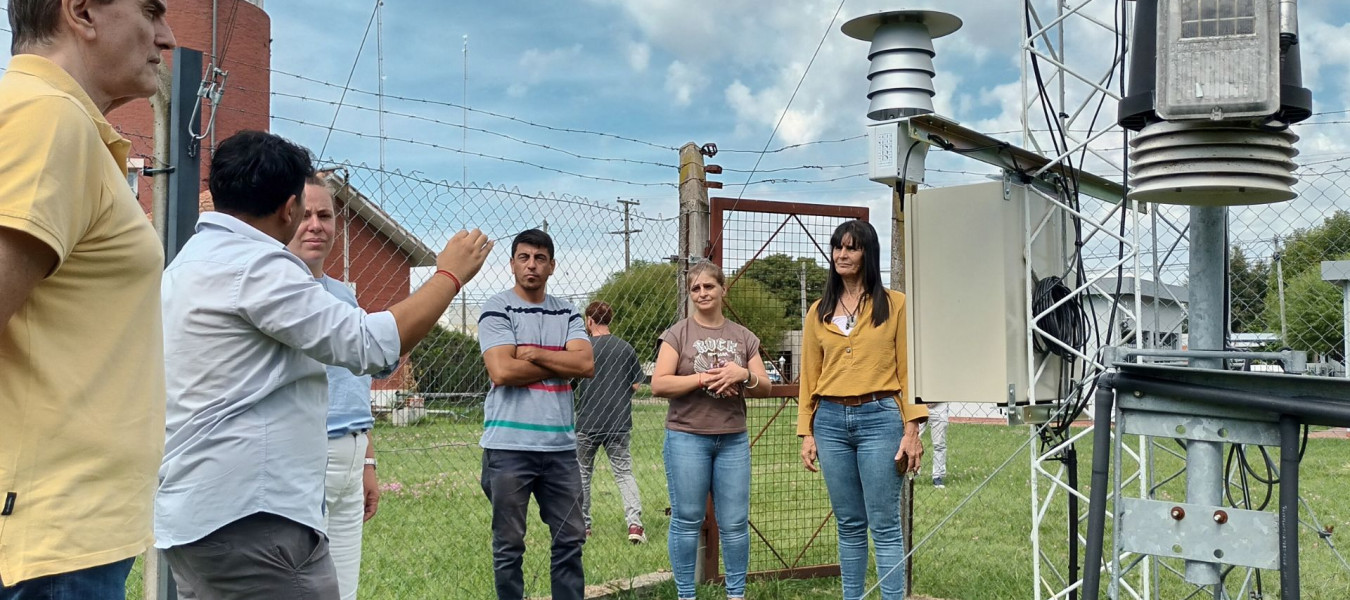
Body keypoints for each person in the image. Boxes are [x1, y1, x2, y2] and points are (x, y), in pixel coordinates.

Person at [157, 130, 492, 599]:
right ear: (288, 208)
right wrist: (449, 275)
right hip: (253, 520)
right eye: (306, 209)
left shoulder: (193, 260)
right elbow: (370, 345)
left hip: (203, 513)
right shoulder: (258, 267)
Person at [0, 1, 176, 596]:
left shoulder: (56, 122)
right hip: (45, 544)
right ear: (82, 12)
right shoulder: (49, 119)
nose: (166, 36)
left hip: (57, 535)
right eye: (150, 10)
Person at [797, 219, 928, 600]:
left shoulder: (896, 305)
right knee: (849, 524)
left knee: (884, 525)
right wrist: (807, 431)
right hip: (830, 423)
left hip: (881, 419)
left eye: (851, 247)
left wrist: (912, 429)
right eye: (837, 247)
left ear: (867, 253)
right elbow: (810, 376)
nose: (842, 254)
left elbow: (909, 370)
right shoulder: (818, 311)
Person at [285, 175, 388, 600]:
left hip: (351, 451)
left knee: (344, 589)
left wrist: (367, 461)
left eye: (325, 215)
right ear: (285, 217)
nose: (316, 225)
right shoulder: (279, 291)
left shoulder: (344, 295)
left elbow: (355, 384)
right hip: (306, 455)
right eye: (305, 214)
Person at [479, 229, 595, 600]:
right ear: (512, 263)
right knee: (509, 545)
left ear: (552, 266)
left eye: (540, 258)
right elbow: (502, 371)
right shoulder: (496, 308)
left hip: (560, 448)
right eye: (524, 257)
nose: (532, 265)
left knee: (570, 540)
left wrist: (533, 353)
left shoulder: (568, 311)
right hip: (508, 447)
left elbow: (586, 364)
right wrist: (559, 360)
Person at [650, 261, 773, 600]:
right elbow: (659, 384)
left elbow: (765, 387)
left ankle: (736, 594)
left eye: (709, 286)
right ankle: (685, 595)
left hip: (732, 438)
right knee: (687, 519)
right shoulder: (677, 334)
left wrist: (742, 375)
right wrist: (703, 378)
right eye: (695, 288)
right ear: (690, 294)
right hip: (687, 436)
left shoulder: (743, 336)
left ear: (723, 289)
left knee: (734, 522)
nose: (702, 293)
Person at [574, 301, 647, 543]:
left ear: (589, 320)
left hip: (587, 421)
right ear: (609, 320)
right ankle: (635, 525)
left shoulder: (582, 348)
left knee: (583, 473)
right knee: (624, 473)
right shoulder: (625, 348)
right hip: (618, 420)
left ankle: (583, 526)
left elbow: (572, 381)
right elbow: (636, 384)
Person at [923, 402, 949, 488]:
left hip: (940, 406)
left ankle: (937, 476)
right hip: (918, 404)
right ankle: (911, 473)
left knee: (939, 444)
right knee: (912, 440)